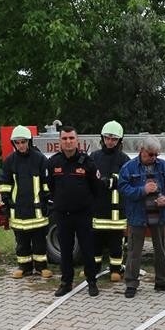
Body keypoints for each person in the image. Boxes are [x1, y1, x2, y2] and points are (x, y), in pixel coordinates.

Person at [118, 137, 165, 298]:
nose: (153, 158)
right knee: (134, 252)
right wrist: (143, 190)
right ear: (141, 150)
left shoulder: (163, 165)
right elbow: (123, 189)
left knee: (161, 250)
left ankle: (162, 282)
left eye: (156, 155)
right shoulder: (129, 167)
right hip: (137, 216)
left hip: (159, 216)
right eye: (150, 154)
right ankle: (131, 284)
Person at [46, 126, 101, 297]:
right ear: (60, 141)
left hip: (82, 215)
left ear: (77, 141)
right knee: (65, 250)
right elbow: (51, 187)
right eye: (64, 139)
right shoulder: (53, 162)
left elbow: (96, 188)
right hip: (62, 215)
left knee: (87, 249)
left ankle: (92, 282)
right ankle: (66, 282)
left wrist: (87, 206)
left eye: (71, 138)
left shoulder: (87, 163)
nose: (68, 142)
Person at [0, 125, 51, 279]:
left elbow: (46, 182)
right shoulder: (10, 161)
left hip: (37, 209)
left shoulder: (40, 159)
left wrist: (47, 201)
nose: (21, 145)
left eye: (23, 142)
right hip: (18, 209)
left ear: (29, 141)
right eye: (17, 142)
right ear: (14, 143)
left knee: (39, 241)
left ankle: (41, 267)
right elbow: (5, 182)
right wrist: (6, 201)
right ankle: (24, 267)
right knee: (21, 241)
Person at [90, 120, 131, 283]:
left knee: (116, 242)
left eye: (114, 139)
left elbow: (127, 180)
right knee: (95, 242)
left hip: (116, 212)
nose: (110, 141)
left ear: (119, 141)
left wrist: (112, 180)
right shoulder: (94, 157)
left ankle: (115, 269)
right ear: (102, 138)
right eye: (107, 138)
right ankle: (94, 267)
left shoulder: (124, 159)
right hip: (98, 209)